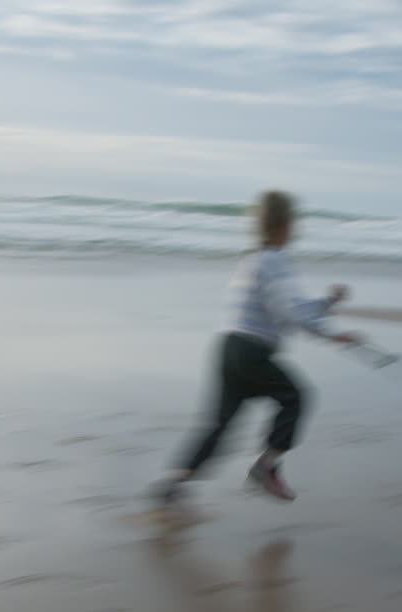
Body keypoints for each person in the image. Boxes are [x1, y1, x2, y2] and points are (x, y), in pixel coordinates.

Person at [151, 189, 362, 509]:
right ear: (287, 225)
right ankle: (266, 466)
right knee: (296, 397)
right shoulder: (274, 260)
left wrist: (328, 303)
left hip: (227, 348)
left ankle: (173, 482)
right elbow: (289, 312)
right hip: (250, 351)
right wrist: (334, 336)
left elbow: (294, 306)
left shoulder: (252, 259)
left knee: (219, 426)